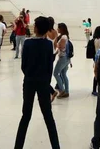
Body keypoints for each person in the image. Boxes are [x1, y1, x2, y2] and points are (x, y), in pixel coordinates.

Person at [14, 16, 60, 149]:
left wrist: (30, 75)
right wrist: (45, 82)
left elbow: (23, 65)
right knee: (48, 117)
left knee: (25, 116)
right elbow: (49, 67)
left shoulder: (28, 43)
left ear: (37, 28)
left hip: (29, 82)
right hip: (43, 84)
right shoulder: (48, 45)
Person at [53, 23, 71, 99]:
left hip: (63, 58)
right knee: (63, 74)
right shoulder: (65, 36)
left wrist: (56, 44)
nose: (57, 29)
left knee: (56, 73)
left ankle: (62, 90)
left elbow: (61, 47)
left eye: (58, 28)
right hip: (66, 58)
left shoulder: (63, 37)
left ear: (61, 29)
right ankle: (66, 91)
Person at [91, 26, 100, 96]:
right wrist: (97, 61)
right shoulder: (97, 40)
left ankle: (98, 88)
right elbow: (97, 51)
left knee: (99, 74)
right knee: (97, 73)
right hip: (98, 60)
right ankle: (94, 90)